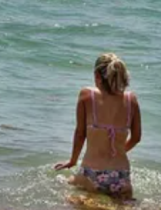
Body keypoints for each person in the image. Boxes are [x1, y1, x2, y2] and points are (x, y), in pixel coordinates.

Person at [55, 53, 142, 199]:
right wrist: (119, 150)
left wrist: (72, 161)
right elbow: (137, 138)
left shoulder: (86, 95)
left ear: (97, 75)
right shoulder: (131, 100)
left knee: (61, 185)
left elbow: (80, 134)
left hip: (92, 175)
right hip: (121, 175)